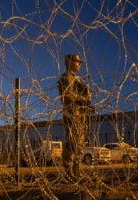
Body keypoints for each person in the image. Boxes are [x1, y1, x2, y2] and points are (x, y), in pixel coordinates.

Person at [57, 54, 93, 182]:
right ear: (69, 62)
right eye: (77, 62)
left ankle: (76, 170)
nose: (79, 64)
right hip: (72, 113)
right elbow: (67, 95)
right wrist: (83, 98)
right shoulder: (65, 78)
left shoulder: (76, 79)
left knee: (79, 143)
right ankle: (68, 172)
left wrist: (87, 100)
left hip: (80, 114)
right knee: (72, 142)